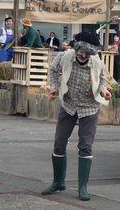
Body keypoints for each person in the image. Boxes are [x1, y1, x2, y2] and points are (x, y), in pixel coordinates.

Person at [42, 31, 111, 201]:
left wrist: (103, 90)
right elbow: (52, 70)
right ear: (77, 48)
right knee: (59, 144)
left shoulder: (96, 62)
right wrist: (54, 87)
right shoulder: (65, 57)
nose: (83, 55)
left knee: (85, 146)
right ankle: (58, 182)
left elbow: (103, 79)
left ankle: (83, 187)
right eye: (80, 51)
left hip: (89, 107)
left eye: (87, 53)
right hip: (69, 104)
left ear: (91, 54)